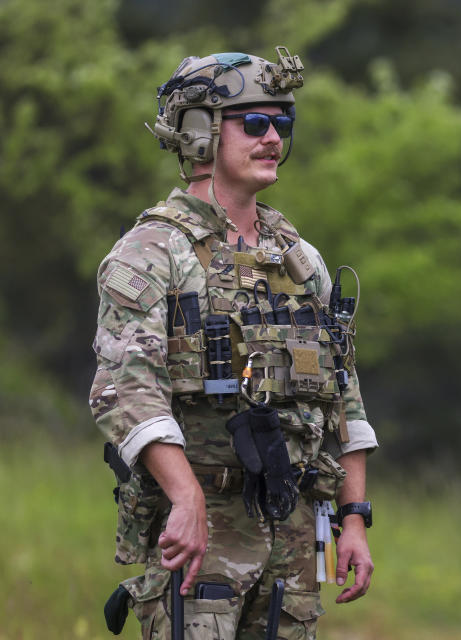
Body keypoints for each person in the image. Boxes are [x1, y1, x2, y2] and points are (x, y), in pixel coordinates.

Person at [90, 46, 377, 638]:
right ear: (199, 132)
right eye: (254, 123)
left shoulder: (298, 258)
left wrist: (352, 518)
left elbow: (343, 395)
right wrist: (186, 499)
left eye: (282, 123)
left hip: (295, 531)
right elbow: (125, 391)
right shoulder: (154, 251)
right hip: (204, 531)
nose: (273, 137)